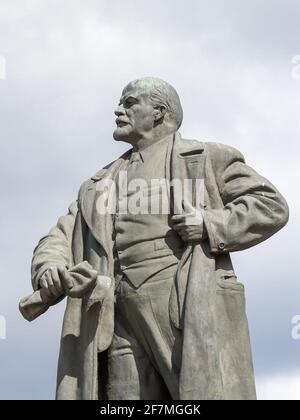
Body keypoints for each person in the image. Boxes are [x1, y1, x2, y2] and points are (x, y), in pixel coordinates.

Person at [30, 77, 289, 400]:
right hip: (115, 312)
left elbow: (269, 205)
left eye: (129, 103)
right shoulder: (97, 184)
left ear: (158, 111)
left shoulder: (206, 157)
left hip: (179, 301)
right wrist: (49, 266)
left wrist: (209, 224)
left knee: (198, 394)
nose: (118, 111)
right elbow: (60, 235)